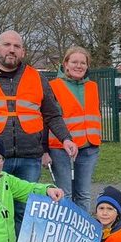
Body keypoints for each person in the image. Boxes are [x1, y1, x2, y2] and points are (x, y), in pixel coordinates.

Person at [0, 30, 78, 231]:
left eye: (17, 46)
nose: (12, 50)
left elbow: (52, 114)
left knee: (25, 214)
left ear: (23, 52)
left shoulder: (36, 78)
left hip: (29, 159)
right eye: (7, 45)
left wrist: (66, 138)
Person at [42, 46, 101, 212]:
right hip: (60, 149)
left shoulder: (93, 87)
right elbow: (46, 119)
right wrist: (44, 150)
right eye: (74, 62)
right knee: (64, 193)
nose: (79, 66)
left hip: (89, 147)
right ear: (65, 64)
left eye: (83, 63)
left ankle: (82, 230)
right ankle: (64, 231)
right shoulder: (53, 86)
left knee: (83, 193)